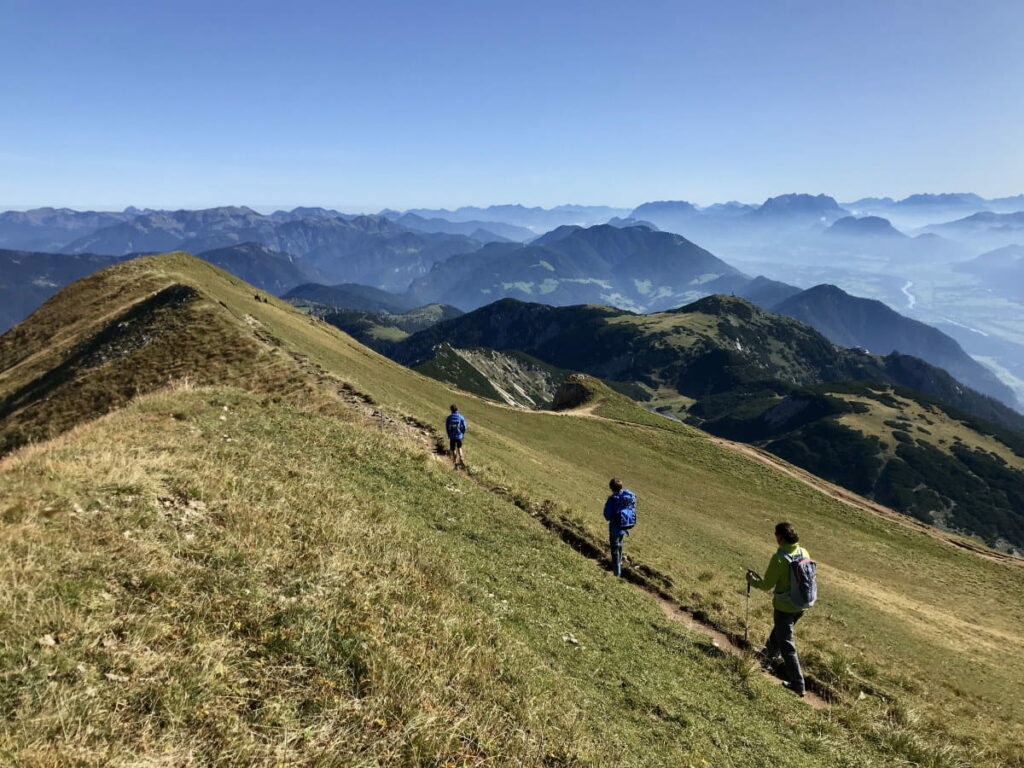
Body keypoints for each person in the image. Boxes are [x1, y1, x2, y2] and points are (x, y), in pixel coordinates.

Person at [746, 522, 812, 697]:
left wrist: (752, 580)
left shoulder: (780, 558)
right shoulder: (803, 552)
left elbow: (767, 585)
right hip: (801, 605)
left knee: (787, 645)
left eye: (776, 535)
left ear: (781, 537)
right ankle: (765, 659)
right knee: (779, 633)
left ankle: (799, 684)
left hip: (784, 606)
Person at [602, 478, 636, 577]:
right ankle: (620, 562)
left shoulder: (612, 499)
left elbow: (607, 515)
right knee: (620, 544)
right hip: (625, 525)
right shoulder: (629, 496)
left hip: (615, 527)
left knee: (614, 548)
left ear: (611, 488)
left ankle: (617, 573)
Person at [445, 404, 467, 469]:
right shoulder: (461, 417)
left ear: (451, 410)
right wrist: (462, 434)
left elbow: (447, 427)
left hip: (452, 436)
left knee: (453, 449)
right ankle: (461, 458)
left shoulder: (449, 418)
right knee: (459, 447)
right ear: (457, 409)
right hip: (459, 436)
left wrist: (448, 434)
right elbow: (465, 427)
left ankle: (455, 462)